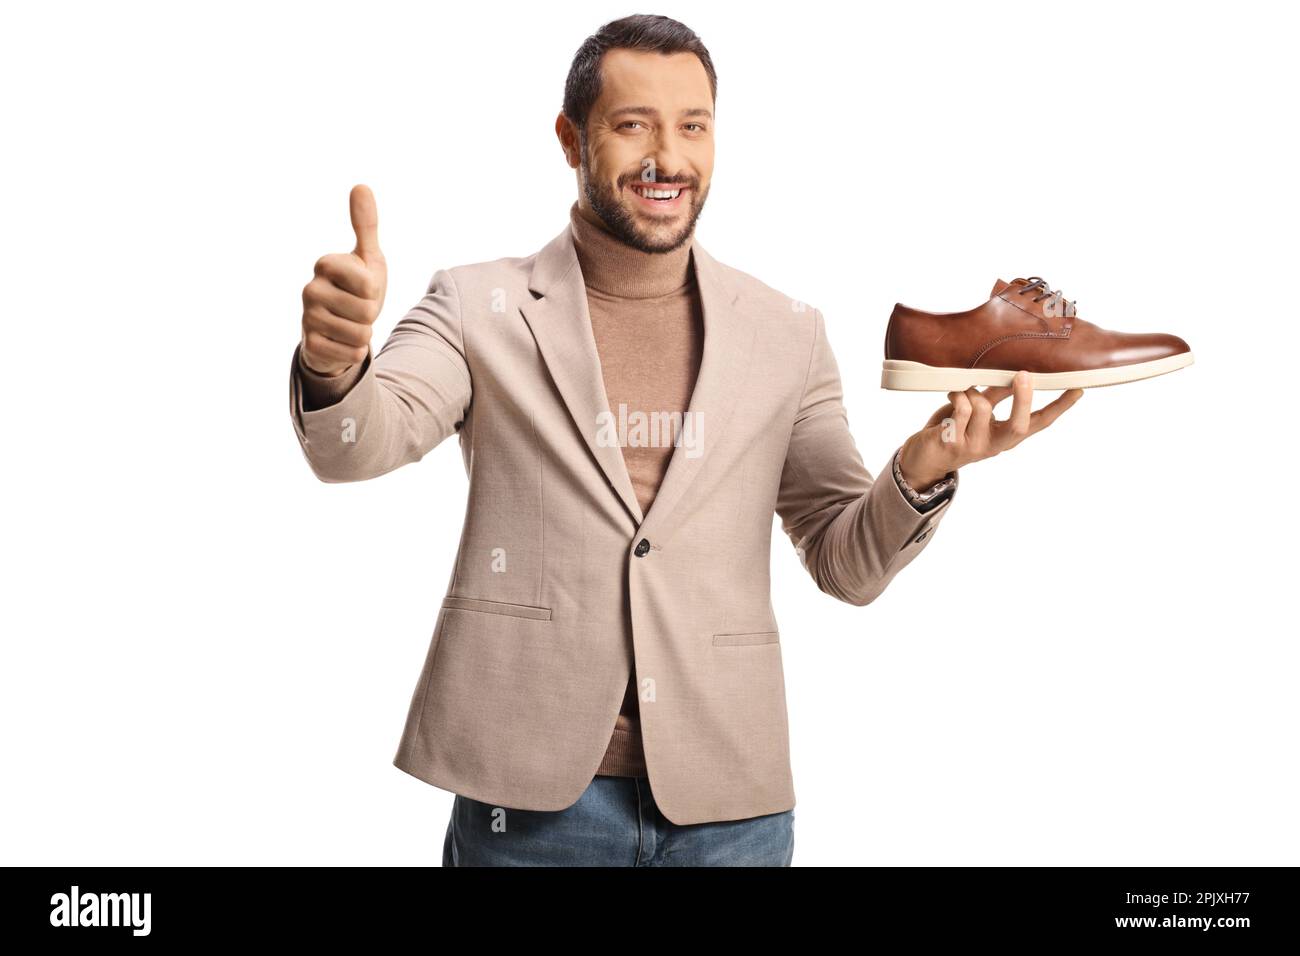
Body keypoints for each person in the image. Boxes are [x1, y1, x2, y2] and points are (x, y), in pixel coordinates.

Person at [288, 14, 1081, 867]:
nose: (668, 157)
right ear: (571, 138)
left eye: (693, 126)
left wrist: (927, 465)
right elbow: (357, 446)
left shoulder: (786, 332)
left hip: (728, 803)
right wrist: (335, 362)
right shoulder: (479, 306)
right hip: (525, 803)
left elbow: (845, 563)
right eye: (633, 125)